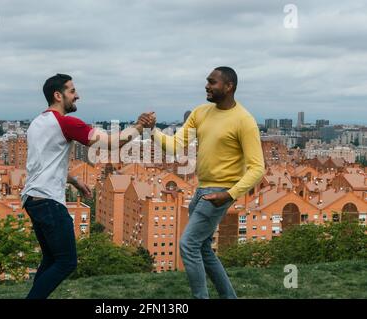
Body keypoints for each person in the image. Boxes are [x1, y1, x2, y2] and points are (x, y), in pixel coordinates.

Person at [21, 73, 155, 299]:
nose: (77, 96)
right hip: (49, 202)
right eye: (72, 91)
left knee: (52, 259)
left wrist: (74, 180)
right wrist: (139, 126)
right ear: (58, 95)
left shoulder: (37, 123)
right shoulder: (66, 122)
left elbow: (43, 164)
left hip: (32, 199)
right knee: (66, 262)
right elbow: (112, 143)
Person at [152, 66, 265, 299]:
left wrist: (230, 194)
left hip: (219, 192)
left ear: (228, 86)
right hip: (202, 189)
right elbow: (174, 146)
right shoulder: (200, 113)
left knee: (188, 244)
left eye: (212, 82)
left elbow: (257, 168)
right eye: (207, 81)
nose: (207, 85)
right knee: (202, 248)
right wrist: (151, 129)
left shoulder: (244, 121)